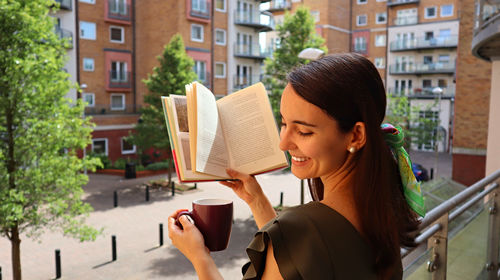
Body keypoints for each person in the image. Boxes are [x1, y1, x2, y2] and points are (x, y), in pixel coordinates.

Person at [168, 53, 424, 280]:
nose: (283, 143)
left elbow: (301, 249)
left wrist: (199, 256)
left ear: (356, 135)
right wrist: (257, 201)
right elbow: (302, 262)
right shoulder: (383, 213)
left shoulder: (301, 230)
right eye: (284, 123)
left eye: (303, 131)